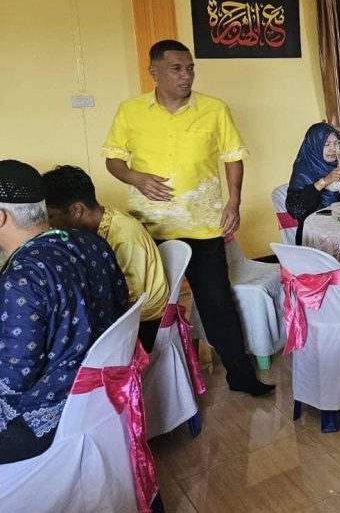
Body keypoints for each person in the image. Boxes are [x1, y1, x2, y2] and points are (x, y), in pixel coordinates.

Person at [102, 39, 272, 396]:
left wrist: (234, 202)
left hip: (203, 226)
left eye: (190, 68)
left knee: (217, 303)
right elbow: (113, 159)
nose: (186, 76)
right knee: (148, 303)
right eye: (177, 69)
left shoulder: (214, 109)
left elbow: (233, 157)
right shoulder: (130, 111)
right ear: (154, 71)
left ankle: (241, 376)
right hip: (150, 227)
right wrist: (135, 177)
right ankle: (147, 386)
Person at [0, 160, 128, 464]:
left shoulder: (22, 278)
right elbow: (120, 303)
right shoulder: (91, 242)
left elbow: (14, 379)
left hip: (47, 418)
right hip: (99, 397)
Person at [42, 165, 169, 351]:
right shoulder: (100, 222)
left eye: (51, 216)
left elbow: (130, 299)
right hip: (124, 309)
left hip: (143, 320)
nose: (49, 225)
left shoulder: (124, 236)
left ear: (77, 210)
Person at [285, 122, 340, 243]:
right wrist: (325, 181)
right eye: (326, 144)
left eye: (336, 144)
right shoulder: (304, 168)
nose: (333, 149)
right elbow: (295, 209)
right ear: (314, 145)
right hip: (315, 235)